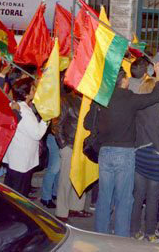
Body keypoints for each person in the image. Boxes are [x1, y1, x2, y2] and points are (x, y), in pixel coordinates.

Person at [87, 64, 159, 237]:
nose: (128, 80)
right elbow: (155, 96)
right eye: (126, 78)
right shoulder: (129, 98)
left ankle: (101, 234)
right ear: (122, 81)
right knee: (124, 198)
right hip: (124, 153)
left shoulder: (102, 99)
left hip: (105, 152)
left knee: (105, 197)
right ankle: (121, 238)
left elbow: (87, 123)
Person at [130, 57, 159, 243]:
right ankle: (150, 233)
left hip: (139, 154)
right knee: (153, 198)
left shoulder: (138, 103)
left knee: (138, 196)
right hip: (156, 155)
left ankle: (134, 231)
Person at [2, 77, 48, 196]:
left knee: (12, 192)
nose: (35, 90)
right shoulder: (24, 111)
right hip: (21, 161)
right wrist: (46, 119)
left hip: (16, 158)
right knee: (18, 195)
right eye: (33, 88)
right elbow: (37, 134)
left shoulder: (18, 106)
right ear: (27, 94)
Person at [54, 87, 92, 222]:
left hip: (84, 147)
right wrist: (63, 145)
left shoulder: (90, 100)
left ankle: (76, 207)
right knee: (65, 180)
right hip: (69, 145)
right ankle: (61, 212)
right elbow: (57, 124)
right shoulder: (66, 100)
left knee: (82, 177)